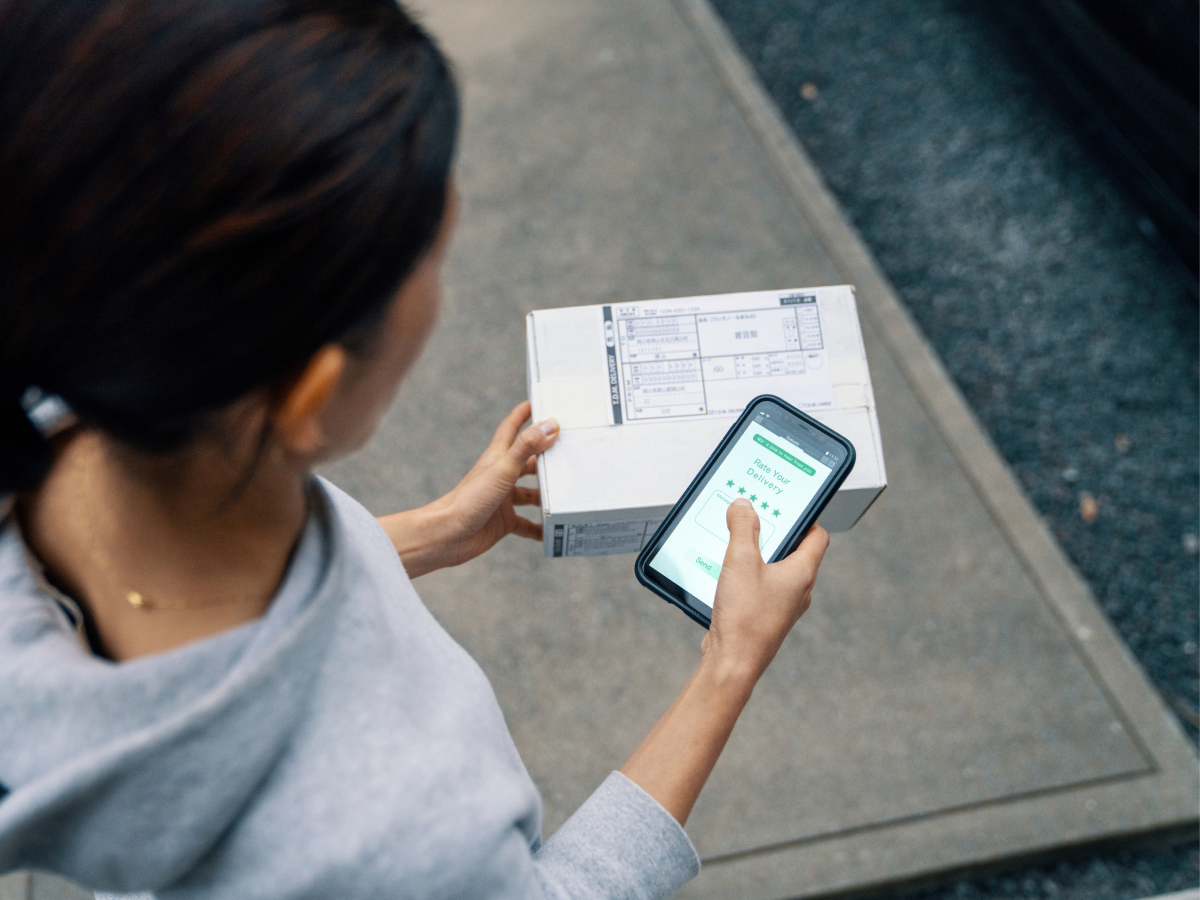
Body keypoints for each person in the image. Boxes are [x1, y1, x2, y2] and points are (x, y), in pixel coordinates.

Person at [0, 0, 830, 897]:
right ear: (308, 398)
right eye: (428, 258)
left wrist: (432, 532)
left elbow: (184, 595)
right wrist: (731, 661)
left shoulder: (71, 402)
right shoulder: (397, 834)